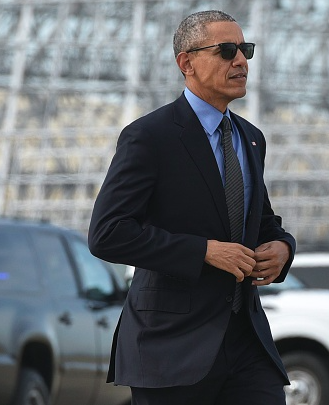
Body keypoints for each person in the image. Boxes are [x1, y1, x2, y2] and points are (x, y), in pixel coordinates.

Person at [88, 9, 296, 405]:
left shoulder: (251, 139)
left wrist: (283, 248)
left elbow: (264, 222)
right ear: (187, 63)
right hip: (171, 347)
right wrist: (203, 251)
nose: (241, 61)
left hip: (247, 342)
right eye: (227, 50)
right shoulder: (150, 136)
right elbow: (108, 234)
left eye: (245, 49)